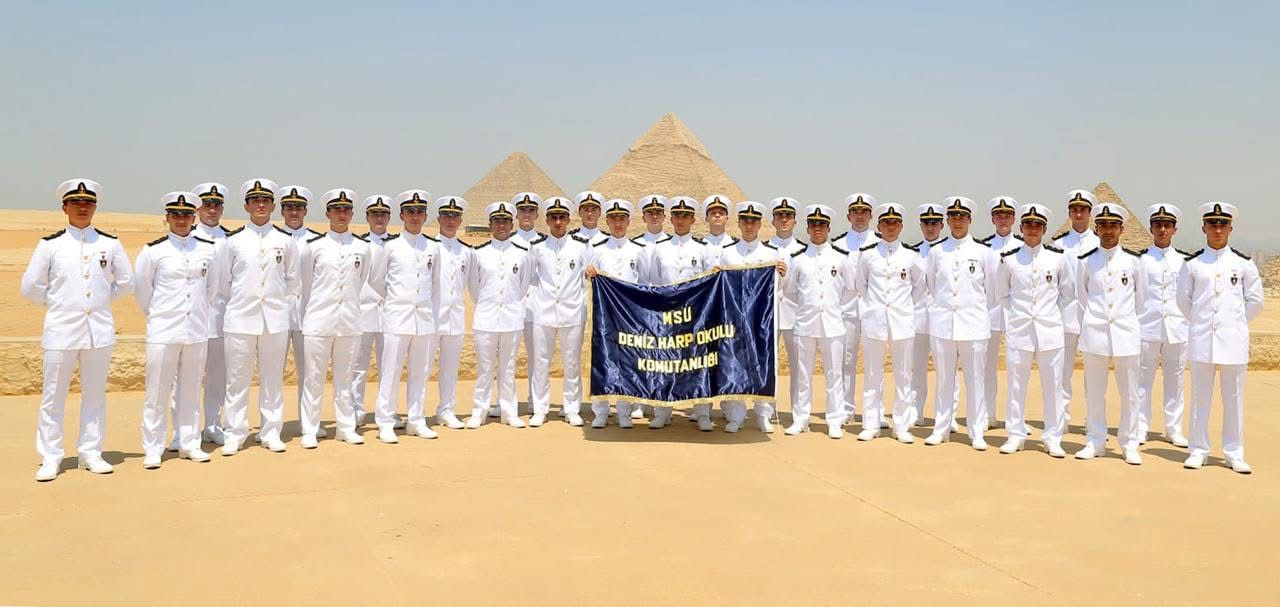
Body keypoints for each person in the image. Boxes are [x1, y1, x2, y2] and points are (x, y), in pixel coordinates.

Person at [23, 179, 133, 481]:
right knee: (53, 396)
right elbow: (30, 286)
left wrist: (99, 302)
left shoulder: (109, 244)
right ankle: (50, 456)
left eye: (88, 203)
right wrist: (58, 304)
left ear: (95, 207)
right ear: (64, 208)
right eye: (75, 203)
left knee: (95, 395)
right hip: (61, 331)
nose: (82, 207)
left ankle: (90, 452)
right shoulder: (50, 245)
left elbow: (126, 283)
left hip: (98, 331)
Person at [134, 192, 217, 468]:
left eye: (186, 215)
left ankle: (189, 443)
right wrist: (160, 316)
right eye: (176, 215)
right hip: (164, 330)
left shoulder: (207, 249)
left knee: (191, 389)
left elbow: (212, 288)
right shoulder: (153, 251)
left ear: (194, 218)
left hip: (195, 329)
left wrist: (195, 314)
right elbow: (143, 291)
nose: (181, 220)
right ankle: (153, 447)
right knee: (157, 391)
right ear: (167, 218)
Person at [1178, 202, 1263, 473]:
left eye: (1223, 224)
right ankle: (1198, 449)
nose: (1218, 229)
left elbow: (1255, 301)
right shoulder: (1192, 264)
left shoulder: (1243, 264)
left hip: (1233, 341)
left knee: (1234, 400)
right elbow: (1183, 301)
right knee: (1199, 398)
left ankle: (1234, 452)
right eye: (1212, 224)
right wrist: (1202, 322)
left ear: (1230, 228)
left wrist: (1234, 323)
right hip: (1202, 339)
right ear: (1203, 227)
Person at [216, 178, 300, 455]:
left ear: (274, 206)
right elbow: (223, 283)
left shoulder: (285, 241)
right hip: (240, 318)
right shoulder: (232, 241)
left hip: (274, 319)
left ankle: (271, 431)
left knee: (272, 379)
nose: (260, 205)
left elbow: (293, 280)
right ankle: (235, 432)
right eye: (255, 201)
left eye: (265, 201)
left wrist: (275, 301)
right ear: (246, 206)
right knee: (237, 380)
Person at [993, 204, 1072, 457]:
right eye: (1028, 224)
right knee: (1016, 385)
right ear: (1021, 227)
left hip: (1050, 331)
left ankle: (1053, 437)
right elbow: (1002, 294)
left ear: (1045, 229)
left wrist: (1047, 314)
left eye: (1038, 225)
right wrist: (1021, 314)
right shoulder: (1009, 259)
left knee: (1054, 386)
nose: (1033, 229)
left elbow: (1067, 294)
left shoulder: (1057, 258)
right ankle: (1015, 435)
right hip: (1020, 330)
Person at [1074, 202, 1147, 464]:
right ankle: (1095, 441)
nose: (1108, 230)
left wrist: (1123, 321)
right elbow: (1082, 298)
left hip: (1125, 334)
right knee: (1094, 392)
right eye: (1103, 225)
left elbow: (1141, 301)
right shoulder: (1086, 261)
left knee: (1130, 393)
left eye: (1113, 225)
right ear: (1096, 228)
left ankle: (1129, 443)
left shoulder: (1134, 262)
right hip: (1095, 333)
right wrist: (1096, 320)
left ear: (1122, 228)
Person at [297, 189, 370, 448]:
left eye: (346, 209)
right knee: (313, 378)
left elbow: (360, 281)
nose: (341, 214)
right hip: (319, 320)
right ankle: (310, 429)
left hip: (349, 321)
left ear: (352, 213)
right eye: (336, 209)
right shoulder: (313, 247)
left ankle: (345, 427)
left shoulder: (362, 248)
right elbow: (307, 284)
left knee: (345, 378)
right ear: (327, 213)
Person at [923, 196, 996, 450]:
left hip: (973, 325)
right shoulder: (936, 252)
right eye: (953, 216)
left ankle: (976, 432)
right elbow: (932, 285)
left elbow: (991, 291)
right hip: (943, 324)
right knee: (944, 380)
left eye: (962, 216)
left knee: (975, 380)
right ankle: (941, 428)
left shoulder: (984, 252)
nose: (957, 221)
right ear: (947, 220)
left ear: (970, 219)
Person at [368, 190, 440, 443]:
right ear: (401, 215)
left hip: (424, 319)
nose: (415, 216)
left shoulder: (433, 247)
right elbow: (376, 280)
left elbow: (435, 284)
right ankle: (385, 421)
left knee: (420, 372)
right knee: (390, 372)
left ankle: (416, 420)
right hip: (397, 318)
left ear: (425, 216)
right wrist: (396, 301)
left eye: (420, 212)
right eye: (410, 211)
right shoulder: (390, 247)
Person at [852, 203, 924, 443]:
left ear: (901, 226)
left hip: (901, 322)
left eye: (895, 223)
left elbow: (919, 287)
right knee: (872, 375)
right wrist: (874, 307)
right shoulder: (868, 254)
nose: (890, 227)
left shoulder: (911, 256)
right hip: (874, 321)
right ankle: (871, 424)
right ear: (879, 226)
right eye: (886, 223)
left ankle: (901, 425)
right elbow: (860, 284)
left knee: (903, 376)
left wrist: (902, 307)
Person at [782, 204, 854, 438]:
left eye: (822, 224)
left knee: (834, 375)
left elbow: (850, 289)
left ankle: (834, 420)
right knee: (803, 375)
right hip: (805, 324)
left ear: (829, 228)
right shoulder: (798, 259)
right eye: (813, 224)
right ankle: (801, 419)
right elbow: (790, 290)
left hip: (832, 324)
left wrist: (833, 308)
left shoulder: (841, 258)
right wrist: (808, 307)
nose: (817, 228)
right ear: (807, 228)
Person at [718, 201, 786, 433]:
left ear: (759, 224)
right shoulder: (727, 253)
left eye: (754, 221)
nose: (749, 225)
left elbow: (779, 288)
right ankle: (736, 415)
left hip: (761, 319)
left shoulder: (771, 253)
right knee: (734, 363)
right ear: (739, 223)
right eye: (745, 221)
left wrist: (783, 275)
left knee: (764, 362)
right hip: (734, 318)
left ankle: (763, 413)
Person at [585, 199, 653, 428]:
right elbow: (585, 276)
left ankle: (624, 411)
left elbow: (645, 282)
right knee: (601, 359)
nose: (618, 223)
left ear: (628, 221)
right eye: (613, 218)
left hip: (629, 317)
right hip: (603, 315)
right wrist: (589, 272)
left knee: (628, 361)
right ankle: (601, 411)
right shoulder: (597, 248)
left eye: (622, 218)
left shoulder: (638, 250)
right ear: (607, 221)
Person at [648, 196, 714, 430]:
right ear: (671, 218)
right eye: (677, 215)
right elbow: (654, 282)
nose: (681, 219)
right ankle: (662, 411)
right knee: (664, 363)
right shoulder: (660, 249)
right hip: (667, 315)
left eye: (686, 216)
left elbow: (710, 282)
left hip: (695, 316)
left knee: (698, 362)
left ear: (693, 220)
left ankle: (703, 413)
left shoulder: (703, 248)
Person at [527, 196, 592, 427]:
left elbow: (588, 275)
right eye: (553, 217)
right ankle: (540, 409)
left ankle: (572, 408)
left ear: (568, 219)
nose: (557, 222)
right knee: (540, 363)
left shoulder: (581, 246)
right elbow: (530, 278)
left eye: (562, 217)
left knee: (571, 363)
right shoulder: (537, 247)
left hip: (572, 312)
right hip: (543, 312)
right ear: (546, 220)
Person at [468, 202, 535, 428]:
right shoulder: (478, 253)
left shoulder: (523, 254)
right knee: (484, 368)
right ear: (490, 225)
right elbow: (474, 288)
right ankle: (479, 411)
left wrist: (508, 305)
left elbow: (523, 287)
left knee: (508, 368)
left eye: (505, 221)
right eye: (497, 221)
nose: (501, 225)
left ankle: (509, 412)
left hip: (511, 318)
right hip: (486, 318)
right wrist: (490, 304)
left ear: (512, 224)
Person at [1136, 204, 1190, 447]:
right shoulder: (1140, 260)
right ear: (1151, 228)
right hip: (1146, 326)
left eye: (1167, 225)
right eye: (1158, 225)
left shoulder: (1185, 261)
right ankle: (1141, 427)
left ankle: (1173, 428)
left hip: (1176, 327)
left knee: (1175, 381)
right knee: (1142, 381)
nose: (1162, 229)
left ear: (1175, 229)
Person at [277, 185, 323, 438]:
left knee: (310, 374)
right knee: (274, 374)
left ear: (305, 211)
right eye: (289, 207)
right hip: (278, 316)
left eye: (298, 207)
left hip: (308, 314)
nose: (294, 212)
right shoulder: (272, 238)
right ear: (282, 210)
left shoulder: (316, 240)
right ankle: (271, 426)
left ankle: (309, 424)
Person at [1052, 190, 1101, 425]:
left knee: (1094, 373)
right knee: (1062, 371)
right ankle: (1061, 417)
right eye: (1074, 210)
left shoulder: (1101, 243)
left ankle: (1094, 420)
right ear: (1069, 213)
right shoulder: (1058, 244)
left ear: (1090, 214)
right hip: (1065, 313)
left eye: (1083, 210)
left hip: (1094, 315)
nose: (1078, 214)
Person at [430, 196, 475, 430]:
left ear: (460, 220)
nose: (450, 220)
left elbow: (472, 286)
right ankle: (414, 415)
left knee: (449, 370)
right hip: (429, 319)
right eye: (446, 215)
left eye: (455, 216)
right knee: (421, 370)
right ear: (438, 219)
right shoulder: (428, 247)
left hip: (454, 318)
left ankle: (446, 410)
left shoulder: (466, 252)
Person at [836, 193, 880, 428]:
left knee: (875, 362)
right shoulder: (838, 244)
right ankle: (846, 408)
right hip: (849, 308)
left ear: (871, 215)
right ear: (848, 216)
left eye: (864, 212)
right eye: (855, 212)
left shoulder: (882, 241)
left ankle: (877, 411)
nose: (859, 216)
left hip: (875, 308)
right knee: (847, 360)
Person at [908, 203, 953, 429]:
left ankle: (948, 416)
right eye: (926, 223)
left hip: (943, 320)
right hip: (918, 318)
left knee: (947, 371)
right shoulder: (911, 253)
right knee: (916, 369)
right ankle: (915, 412)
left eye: (935, 223)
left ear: (942, 225)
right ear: (921, 225)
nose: (930, 227)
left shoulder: (949, 251)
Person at [352, 194, 396, 426]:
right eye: (374, 214)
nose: (379, 218)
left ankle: (387, 412)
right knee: (357, 367)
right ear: (367, 217)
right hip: (363, 312)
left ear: (389, 217)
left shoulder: (398, 244)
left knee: (389, 367)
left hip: (390, 313)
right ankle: (354, 411)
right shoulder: (357, 244)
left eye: (383, 214)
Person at [192, 182, 231, 445]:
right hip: (191, 320)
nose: (212, 209)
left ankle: (214, 425)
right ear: (198, 208)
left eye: (216, 204)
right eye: (207, 204)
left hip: (222, 318)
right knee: (186, 379)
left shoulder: (231, 239)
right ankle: (184, 430)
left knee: (218, 377)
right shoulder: (187, 236)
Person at [979, 196, 1023, 426]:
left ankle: (1017, 418)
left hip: (1018, 314)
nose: (1003, 219)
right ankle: (988, 414)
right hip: (991, 312)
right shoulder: (984, 247)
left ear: (1014, 219)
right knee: (987, 367)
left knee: (1018, 367)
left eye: (1007, 215)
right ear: (992, 219)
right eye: (999, 215)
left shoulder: (1025, 246)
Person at [768, 197, 806, 420]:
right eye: (779, 216)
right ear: (773, 220)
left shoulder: (803, 250)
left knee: (798, 365)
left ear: (794, 221)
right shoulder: (763, 248)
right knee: (769, 364)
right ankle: (767, 410)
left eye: (788, 216)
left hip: (796, 314)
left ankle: (798, 412)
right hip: (769, 314)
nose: (784, 220)